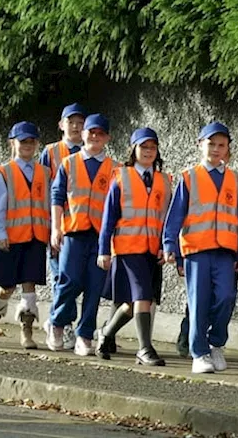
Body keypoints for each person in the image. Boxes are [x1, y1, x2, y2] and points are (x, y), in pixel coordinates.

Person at [163, 122, 238, 374]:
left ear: (228, 148)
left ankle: (216, 343)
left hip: (226, 251)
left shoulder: (235, 179)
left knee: (227, 297)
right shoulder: (189, 177)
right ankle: (199, 353)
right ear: (200, 145)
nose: (216, 149)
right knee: (198, 302)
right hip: (197, 251)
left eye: (221, 145)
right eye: (211, 144)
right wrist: (169, 245)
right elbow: (175, 216)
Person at [96, 127, 170, 366]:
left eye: (152, 147)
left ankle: (106, 333)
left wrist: (165, 246)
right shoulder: (121, 177)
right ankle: (144, 348)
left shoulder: (164, 181)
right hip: (128, 248)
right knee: (142, 297)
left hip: (152, 249)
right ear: (134, 149)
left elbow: (166, 218)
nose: (148, 152)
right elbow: (108, 217)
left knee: (134, 301)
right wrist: (103, 250)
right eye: (143, 147)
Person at [48, 113, 116, 355]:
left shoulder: (114, 169)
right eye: (91, 132)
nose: (95, 137)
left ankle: (84, 335)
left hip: (100, 236)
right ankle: (57, 323)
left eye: (100, 133)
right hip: (74, 232)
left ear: (107, 137)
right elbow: (56, 197)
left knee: (94, 286)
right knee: (69, 280)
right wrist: (56, 228)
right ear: (83, 133)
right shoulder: (69, 163)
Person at [0, 122, 49, 349]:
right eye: (23, 141)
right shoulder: (5, 171)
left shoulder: (45, 172)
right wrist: (0, 232)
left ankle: (26, 330)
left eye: (31, 141)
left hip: (36, 236)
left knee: (30, 285)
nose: (27, 145)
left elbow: (47, 205)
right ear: (13, 143)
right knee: (7, 286)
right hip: (12, 237)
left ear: (37, 144)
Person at [40, 102, 86, 348]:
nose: (76, 127)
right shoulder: (51, 152)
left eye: (80, 123)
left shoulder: (90, 152)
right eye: (71, 122)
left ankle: (60, 321)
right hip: (59, 225)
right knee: (62, 276)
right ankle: (61, 324)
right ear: (61, 125)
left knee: (76, 279)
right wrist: (49, 226)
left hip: (81, 226)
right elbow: (43, 189)